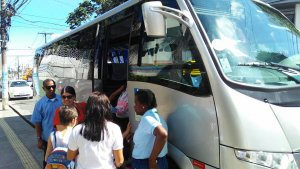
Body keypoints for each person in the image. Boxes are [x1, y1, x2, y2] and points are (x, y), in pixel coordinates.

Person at [67, 92, 124, 169]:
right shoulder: (115, 129)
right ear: (106, 108)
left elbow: (70, 157)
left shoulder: (77, 130)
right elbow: (119, 161)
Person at [132, 89, 168, 169]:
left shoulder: (147, 119)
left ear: (143, 106)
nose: (134, 106)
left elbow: (162, 134)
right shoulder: (160, 118)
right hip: (161, 161)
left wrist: (152, 160)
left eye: (136, 103)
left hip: (144, 163)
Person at [31, 79, 62, 168]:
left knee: (61, 162)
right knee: (48, 161)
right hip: (47, 140)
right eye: (49, 87)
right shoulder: (40, 104)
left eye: (53, 86)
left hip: (62, 138)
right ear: (43, 88)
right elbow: (38, 123)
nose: (51, 89)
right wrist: (39, 139)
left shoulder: (62, 100)